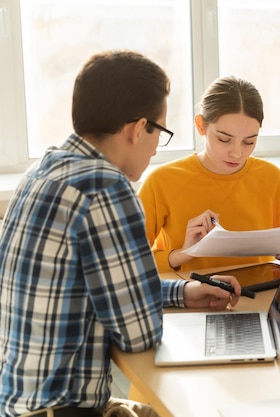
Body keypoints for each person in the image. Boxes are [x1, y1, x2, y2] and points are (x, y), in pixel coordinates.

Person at [0, 50, 242, 417]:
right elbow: (139, 332)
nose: (156, 148)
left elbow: (102, 284)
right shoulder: (105, 186)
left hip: (21, 400)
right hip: (61, 408)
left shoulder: (44, 170)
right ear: (136, 129)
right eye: (159, 131)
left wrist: (182, 292)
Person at [138, 75, 280, 273]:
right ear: (201, 126)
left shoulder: (269, 177)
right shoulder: (162, 181)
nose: (237, 153)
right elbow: (131, 263)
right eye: (224, 139)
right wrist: (183, 253)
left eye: (249, 142)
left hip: (261, 296)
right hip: (191, 300)